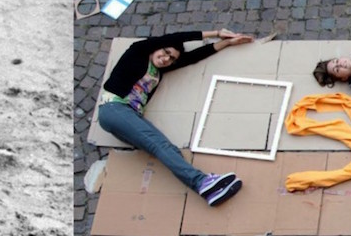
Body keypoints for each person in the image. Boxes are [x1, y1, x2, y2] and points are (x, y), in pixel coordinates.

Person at [95, 28, 257, 206]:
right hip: (114, 109)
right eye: (165, 52)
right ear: (157, 47)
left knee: (169, 150)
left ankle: (210, 192)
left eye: (171, 58)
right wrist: (217, 33)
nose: (166, 60)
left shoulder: (159, 71)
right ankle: (201, 182)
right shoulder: (138, 51)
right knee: (160, 145)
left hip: (126, 115)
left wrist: (227, 43)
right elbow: (173, 37)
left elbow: (193, 57)